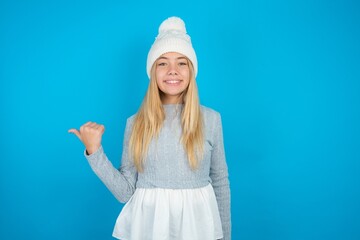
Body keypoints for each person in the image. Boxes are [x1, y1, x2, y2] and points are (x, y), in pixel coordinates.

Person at [69, 16, 231, 240]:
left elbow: (220, 182)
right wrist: (95, 152)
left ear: (191, 71)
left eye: (181, 62)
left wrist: (225, 236)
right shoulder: (136, 123)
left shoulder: (211, 120)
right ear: (153, 71)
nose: (172, 70)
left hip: (198, 229)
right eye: (163, 63)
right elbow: (125, 192)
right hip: (150, 229)